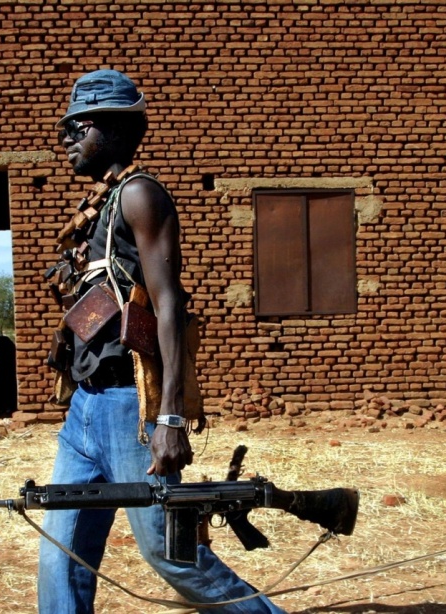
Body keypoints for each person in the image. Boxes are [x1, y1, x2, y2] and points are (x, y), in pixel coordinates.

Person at [38, 69, 284, 613]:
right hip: (84, 407)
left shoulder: (140, 194)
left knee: (172, 557)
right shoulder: (98, 208)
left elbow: (169, 303)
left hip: (130, 406)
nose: (68, 138)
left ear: (116, 130)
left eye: (80, 125)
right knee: (62, 552)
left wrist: (169, 417)